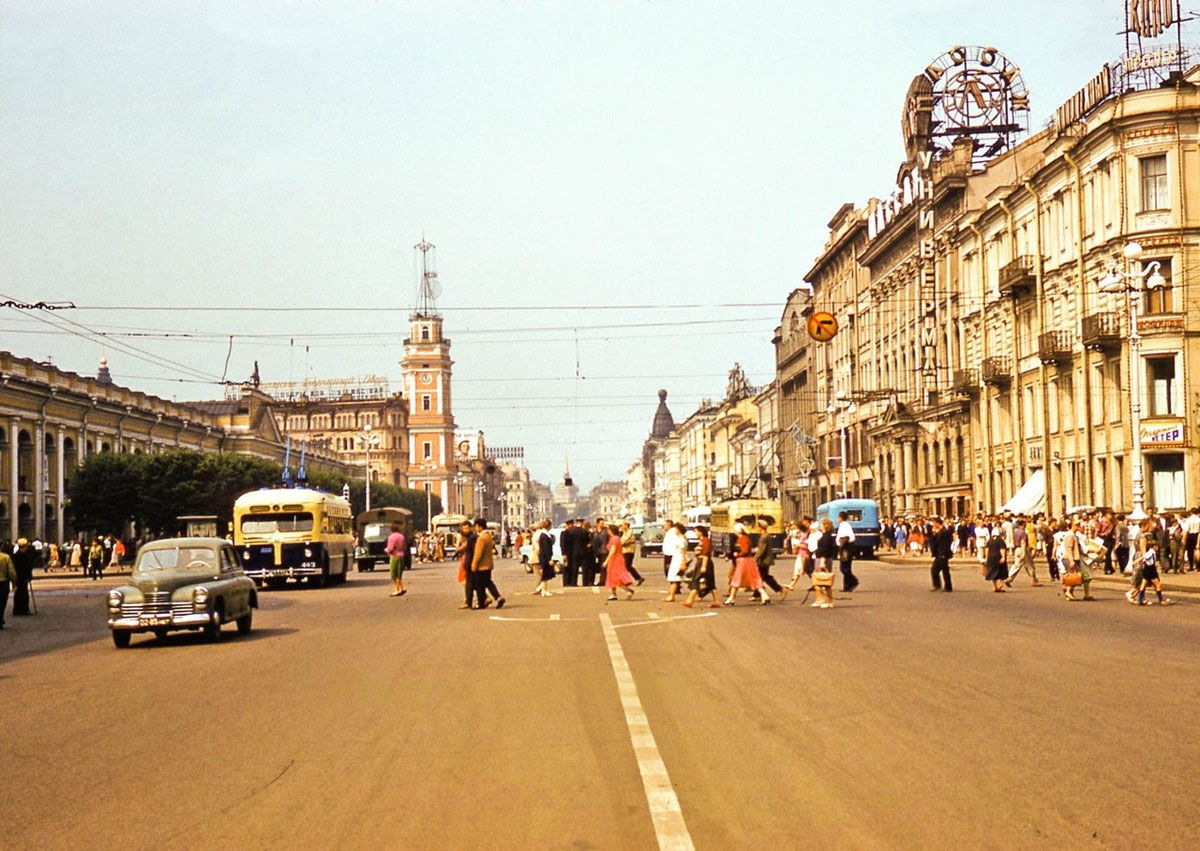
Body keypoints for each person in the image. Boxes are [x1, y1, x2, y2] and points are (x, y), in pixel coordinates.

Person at [725, 523, 769, 605]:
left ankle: (731, 598)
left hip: (743, 561)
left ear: (738, 531)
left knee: (736, 578)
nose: (734, 532)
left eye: (735, 530)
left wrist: (737, 554)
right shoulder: (743, 538)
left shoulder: (743, 539)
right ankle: (764, 594)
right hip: (747, 561)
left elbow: (744, 550)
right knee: (753, 579)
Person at [681, 525, 720, 608]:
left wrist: (704, 566)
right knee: (710, 583)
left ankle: (690, 600)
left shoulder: (705, 541)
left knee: (696, 581)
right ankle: (716, 601)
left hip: (704, 562)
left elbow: (705, 554)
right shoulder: (701, 541)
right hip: (701, 562)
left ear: (701, 532)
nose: (695, 533)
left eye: (696, 531)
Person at [471, 519, 504, 609]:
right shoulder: (488, 536)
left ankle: (481, 603)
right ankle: (498, 597)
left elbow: (478, 553)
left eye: (476, 526)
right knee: (488, 582)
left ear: (480, 527)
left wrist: (474, 564)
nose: (475, 528)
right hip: (489, 564)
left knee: (479, 585)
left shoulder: (481, 538)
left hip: (481, 565)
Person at [1132, 534, 1171, 605]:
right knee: (1158, 585)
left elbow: (1145, 560)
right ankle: (1161, 600)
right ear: (1154, 547)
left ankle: (1140, 599)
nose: (1158, 548)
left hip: (1147, 569)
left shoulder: (1152, 552)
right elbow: (1144, 557)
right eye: (1157, 546)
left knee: (1143, 585)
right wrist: (1136, 561)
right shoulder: (1151, 552)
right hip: (1150, 570)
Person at [603, 524, 636, 601]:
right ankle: (613, 593)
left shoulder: (615, 539)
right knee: (611, 576)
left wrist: (606, 560)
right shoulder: (614, 538)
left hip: (616, 559)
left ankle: (628, 590)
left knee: (616, 577)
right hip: (615, 559)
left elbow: (612, 551)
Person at [781, 517, 812, 599]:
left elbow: (808, 545)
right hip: (801, 553)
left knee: (807, 570)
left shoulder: (809, 533)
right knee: (799, 569)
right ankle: (792, 584)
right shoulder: (804, 533)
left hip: (805, 554)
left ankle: (817, 583)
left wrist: (798, 545)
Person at [754, 519, 783, 594]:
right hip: (765, 559)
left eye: (758, 526)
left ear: (761, 527)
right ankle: (756, 594)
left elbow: (761, 550)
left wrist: (755, 558)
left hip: (764, 560)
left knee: (764, 577)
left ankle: (779, 589)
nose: (757, 528)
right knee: (760, 576)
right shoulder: (766, 535)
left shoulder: (764, 537)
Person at [662, 522, 688, 602]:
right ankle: (672, 595)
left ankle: (698, 591)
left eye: (676, 529)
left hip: (679, 559)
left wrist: (683, 562)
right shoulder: (679, 538)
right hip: (675, 558)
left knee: (679, 577)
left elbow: (683, 552)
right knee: (674, 577)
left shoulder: (682, 540)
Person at [11, 538, 36, 616]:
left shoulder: (17, 555)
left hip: (21, 577)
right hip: (21, 577)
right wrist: (27, 576)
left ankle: (18, 610)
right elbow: (23, 568)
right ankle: (23, 609)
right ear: (24, 546)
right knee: (23, 594)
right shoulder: (20, 556)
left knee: (19, 593)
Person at [929, 516, 954, 592]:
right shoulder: (939, 532)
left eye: (934, 523)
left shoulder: (944, 532)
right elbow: (934, 543)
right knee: (945, 570)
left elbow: (946, 543)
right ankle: (948, 587)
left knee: (934, 570)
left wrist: (944, 554)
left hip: (942, 554)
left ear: (937, 523)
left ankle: (937, 585)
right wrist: (933, 535)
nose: (933, 524)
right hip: (939, 553)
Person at [836, 511, 859, 593]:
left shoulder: (844, 525)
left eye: (838, 517)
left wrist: (841, 550)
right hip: (847, 547)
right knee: (846, 567)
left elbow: (845, 538)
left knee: (844, 568)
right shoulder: (845, 525)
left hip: (846, 548)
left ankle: (854, 581)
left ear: (841, 518)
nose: (837, 519)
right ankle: (847, 586)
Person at [457, 520, 477, 609]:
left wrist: (459, 547)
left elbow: (460, 548)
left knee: (466, 581)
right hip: (464, 560)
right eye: (463, 528)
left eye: (466, 528)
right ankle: (468, 600)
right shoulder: (464, 537)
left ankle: (468, 600)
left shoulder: (471, 537)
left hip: (467, 560)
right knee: (466, 581)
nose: (465, 530)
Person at [532, 520, 555, 598]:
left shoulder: (544, 534)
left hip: (543, 556)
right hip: (545, 557)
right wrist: (549, 558)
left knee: (547, 573)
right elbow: (546, 548)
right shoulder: (544, 535)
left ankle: (542, 588)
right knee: (546, 573)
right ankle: (544, 589)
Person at [385, 522, 408, 597]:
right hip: (401, 555)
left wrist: (386, 550)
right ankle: (402, 588)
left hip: (394, 556)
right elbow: (405, 547)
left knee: (394, 574)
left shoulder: (391, 537)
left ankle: (396, 589)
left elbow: (390, 548)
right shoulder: (401, 536)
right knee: (399, 574)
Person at [984, 523, 1008, 592]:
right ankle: (1001, 586)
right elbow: (1002, 549)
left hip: (991, 558)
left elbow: (987, 550)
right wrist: (1003, 557)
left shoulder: (990, 541)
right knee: (1002, 572)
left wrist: (986, 558)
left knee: (993, 572)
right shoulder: (1000, 541)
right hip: (998, 557)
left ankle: (995, 586)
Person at [619, 521, 644, 586]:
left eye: (623, 525)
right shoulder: (624, 532)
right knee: (627, 566)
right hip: (625, 551)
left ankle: (629, 580)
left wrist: (619, 543)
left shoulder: (629, 532)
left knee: (626, 566)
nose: (622, 527)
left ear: (627, 525)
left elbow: (623, 541)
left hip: (629, 551)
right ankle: (637, 578)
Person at [0, 544, 16, 628]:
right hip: (3, 582)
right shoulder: (5, 557)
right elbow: (11, 571)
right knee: (2, 602)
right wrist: (14, 580)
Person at [591, 517, 610, 587]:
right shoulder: (594, 532)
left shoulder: (606, 531)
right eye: (601, 523)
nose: (603, 524)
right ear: (597, 524)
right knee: (600, 567)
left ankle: (602, 581)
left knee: (604, 567)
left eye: (603, 523)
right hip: (598, 552)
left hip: (605, 551)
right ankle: (603, 580)